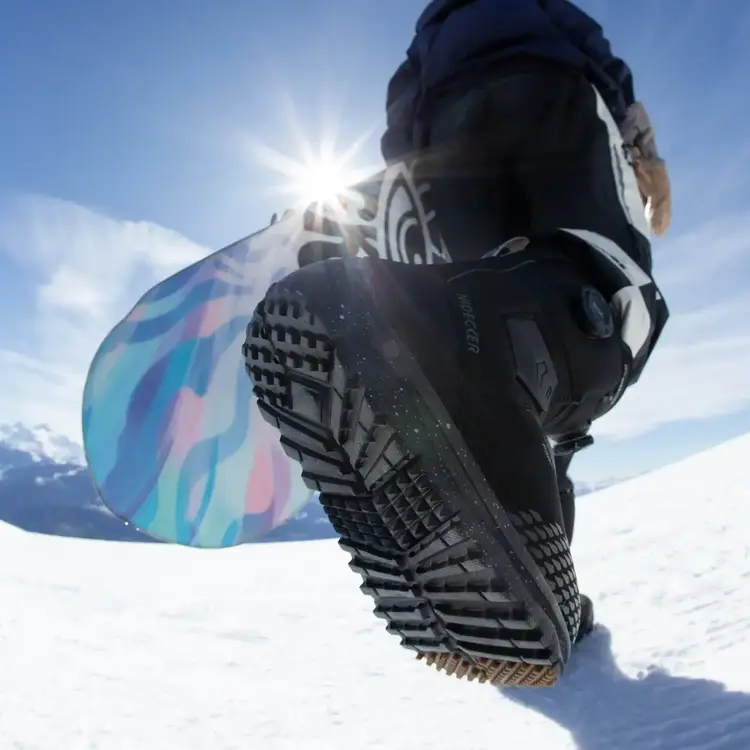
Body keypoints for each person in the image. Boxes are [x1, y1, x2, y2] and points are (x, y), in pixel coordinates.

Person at [244, 0, 671, 687]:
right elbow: (587, 44)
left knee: (494, 329)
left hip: (442, 145)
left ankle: (533, 573)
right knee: (609, 295)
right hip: (548, 91)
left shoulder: (426, 39)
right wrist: (638, 138)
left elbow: (399, 132)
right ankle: (460, 361)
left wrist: (392, 200)